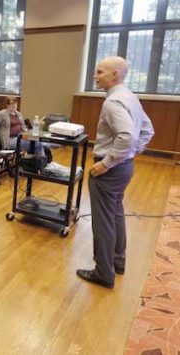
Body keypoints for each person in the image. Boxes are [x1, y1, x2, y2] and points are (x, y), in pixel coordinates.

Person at [76, 56, 154, 289]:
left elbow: (127, 136)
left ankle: (103, 272)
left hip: (109, 171)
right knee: (116, 215)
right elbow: (147, 131)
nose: (94, 76)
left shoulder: (113, 102)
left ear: (115, 75)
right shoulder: (130, 96)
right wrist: (129, 155)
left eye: (99, 72)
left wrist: (108, 162)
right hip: (124, 168)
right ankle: (117, 262)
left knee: (103, 222)